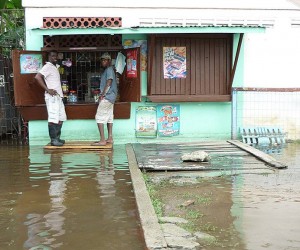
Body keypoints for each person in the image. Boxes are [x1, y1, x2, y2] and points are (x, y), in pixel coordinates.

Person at [35, 50, 67, 146]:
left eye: (56, 56)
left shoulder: (55, 67)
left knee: (61, 118)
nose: (55, 58)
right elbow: (37, 77)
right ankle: (53, 140)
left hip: (58, 97)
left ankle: (57, 138)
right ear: (49, 57)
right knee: (53, 118)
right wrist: (48, 89)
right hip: (52, 97)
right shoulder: (47, 67)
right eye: (53, 56)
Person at [92, 52, 117, 146]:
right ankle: (110, 138)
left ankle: (102, 140)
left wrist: (102, 95)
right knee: (110, 117)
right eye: (102, 60)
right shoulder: (109, 70)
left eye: (105, 60)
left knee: (99, 117)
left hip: (108, 96)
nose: (103, 61)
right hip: (112, 97)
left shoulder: (109, 70)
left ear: (109, 61)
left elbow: (109, 82)